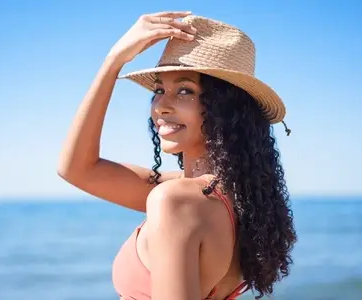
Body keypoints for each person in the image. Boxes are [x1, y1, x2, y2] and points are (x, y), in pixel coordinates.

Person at [57, 11, 297, 300]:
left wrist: (114, 60)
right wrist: (113, 62)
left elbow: (76, 170)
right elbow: (78, 169)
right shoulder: (234, 197)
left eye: (185, 90)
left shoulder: (176, 200)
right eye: (159, 90)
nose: (161, 106)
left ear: (226, 109)